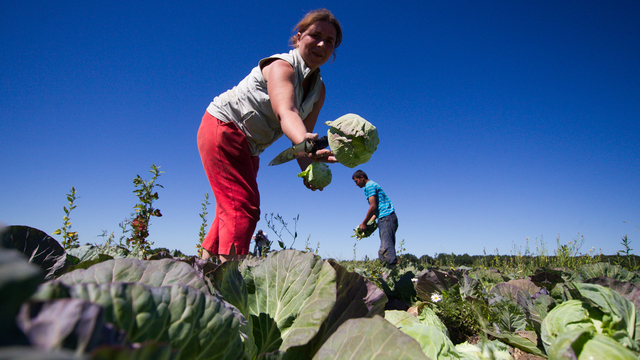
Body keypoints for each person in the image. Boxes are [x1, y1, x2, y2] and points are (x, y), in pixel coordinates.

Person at [198, 9, 342, 263]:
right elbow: (286, 112)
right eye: (316, 35)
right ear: (298, 38)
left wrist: (308, 167)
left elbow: (299, 134)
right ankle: (230, 284)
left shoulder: (319, 91)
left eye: (330, 41)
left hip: (250, 146)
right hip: (225, 128)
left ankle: (204, 270)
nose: (322, 44)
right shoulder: (281, 66)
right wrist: (307, 146)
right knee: (242, 208)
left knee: (230, 206)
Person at [352, 170, 398, 268]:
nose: (356, 184)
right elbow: (378, 207)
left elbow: (373, 207)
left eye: (356, 181)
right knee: (382, 251)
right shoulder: (372, 185)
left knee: (386, 249)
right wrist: (371, 221)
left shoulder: (370, 186)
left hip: (386, 218)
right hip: (385, 218)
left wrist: (364, 223)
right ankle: (386, 273)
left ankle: (391, 274)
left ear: (362, 177)